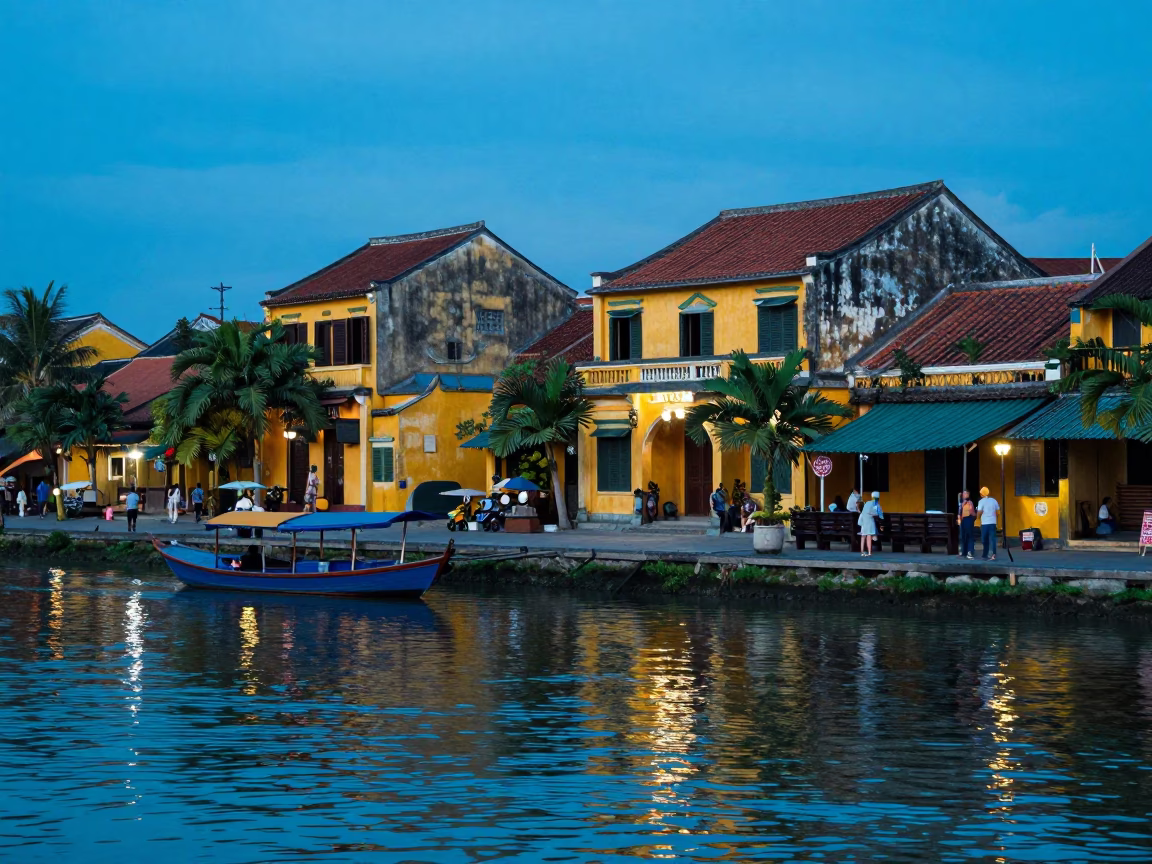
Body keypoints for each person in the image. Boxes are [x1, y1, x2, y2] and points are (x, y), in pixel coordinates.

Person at [976, 486, 1000, 560]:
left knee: (984, 539)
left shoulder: (981, 501)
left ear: (982, 494)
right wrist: (993, 516)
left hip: (985, 523)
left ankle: (985, 554)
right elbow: (998, 512)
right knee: (992, 539)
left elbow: (979, 512)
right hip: (992, 522)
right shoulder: (994, 500)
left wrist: (977, 518)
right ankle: (993, 554)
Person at [857, 490, 882, 556]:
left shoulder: (867, 504)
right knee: (869, 536)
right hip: (870, 523)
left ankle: (862, 551)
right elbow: (877, 514)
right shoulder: (876, 505)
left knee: (863, 537)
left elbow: (860, 521)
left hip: (864, 524)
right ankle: (869, 552)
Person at [957, 489, 976, 559]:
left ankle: (970, 551)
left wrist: (974, 515)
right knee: (963, 536)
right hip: (963, 520)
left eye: (966, 494)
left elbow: (971, 512)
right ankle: (963, 551)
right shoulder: (961, 503)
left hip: (968, 519)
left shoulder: (969, 502)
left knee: (970, 535)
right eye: (964, 494)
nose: (965, 495)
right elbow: (959, 512)